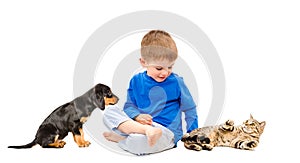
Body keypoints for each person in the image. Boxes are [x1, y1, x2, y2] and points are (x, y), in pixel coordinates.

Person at [102, 30, 198, 155]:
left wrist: (193, 134)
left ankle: (123, 137)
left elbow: (190, 109)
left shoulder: (176, 82)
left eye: (170, 67)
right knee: (109, 112)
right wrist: (137, 116)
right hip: (140, 127)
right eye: (159, 68)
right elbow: (129, 106)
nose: (165, 72)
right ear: (144, 62)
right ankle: (140, 132)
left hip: (166, 132)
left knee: (138, 143)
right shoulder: (136, 81)